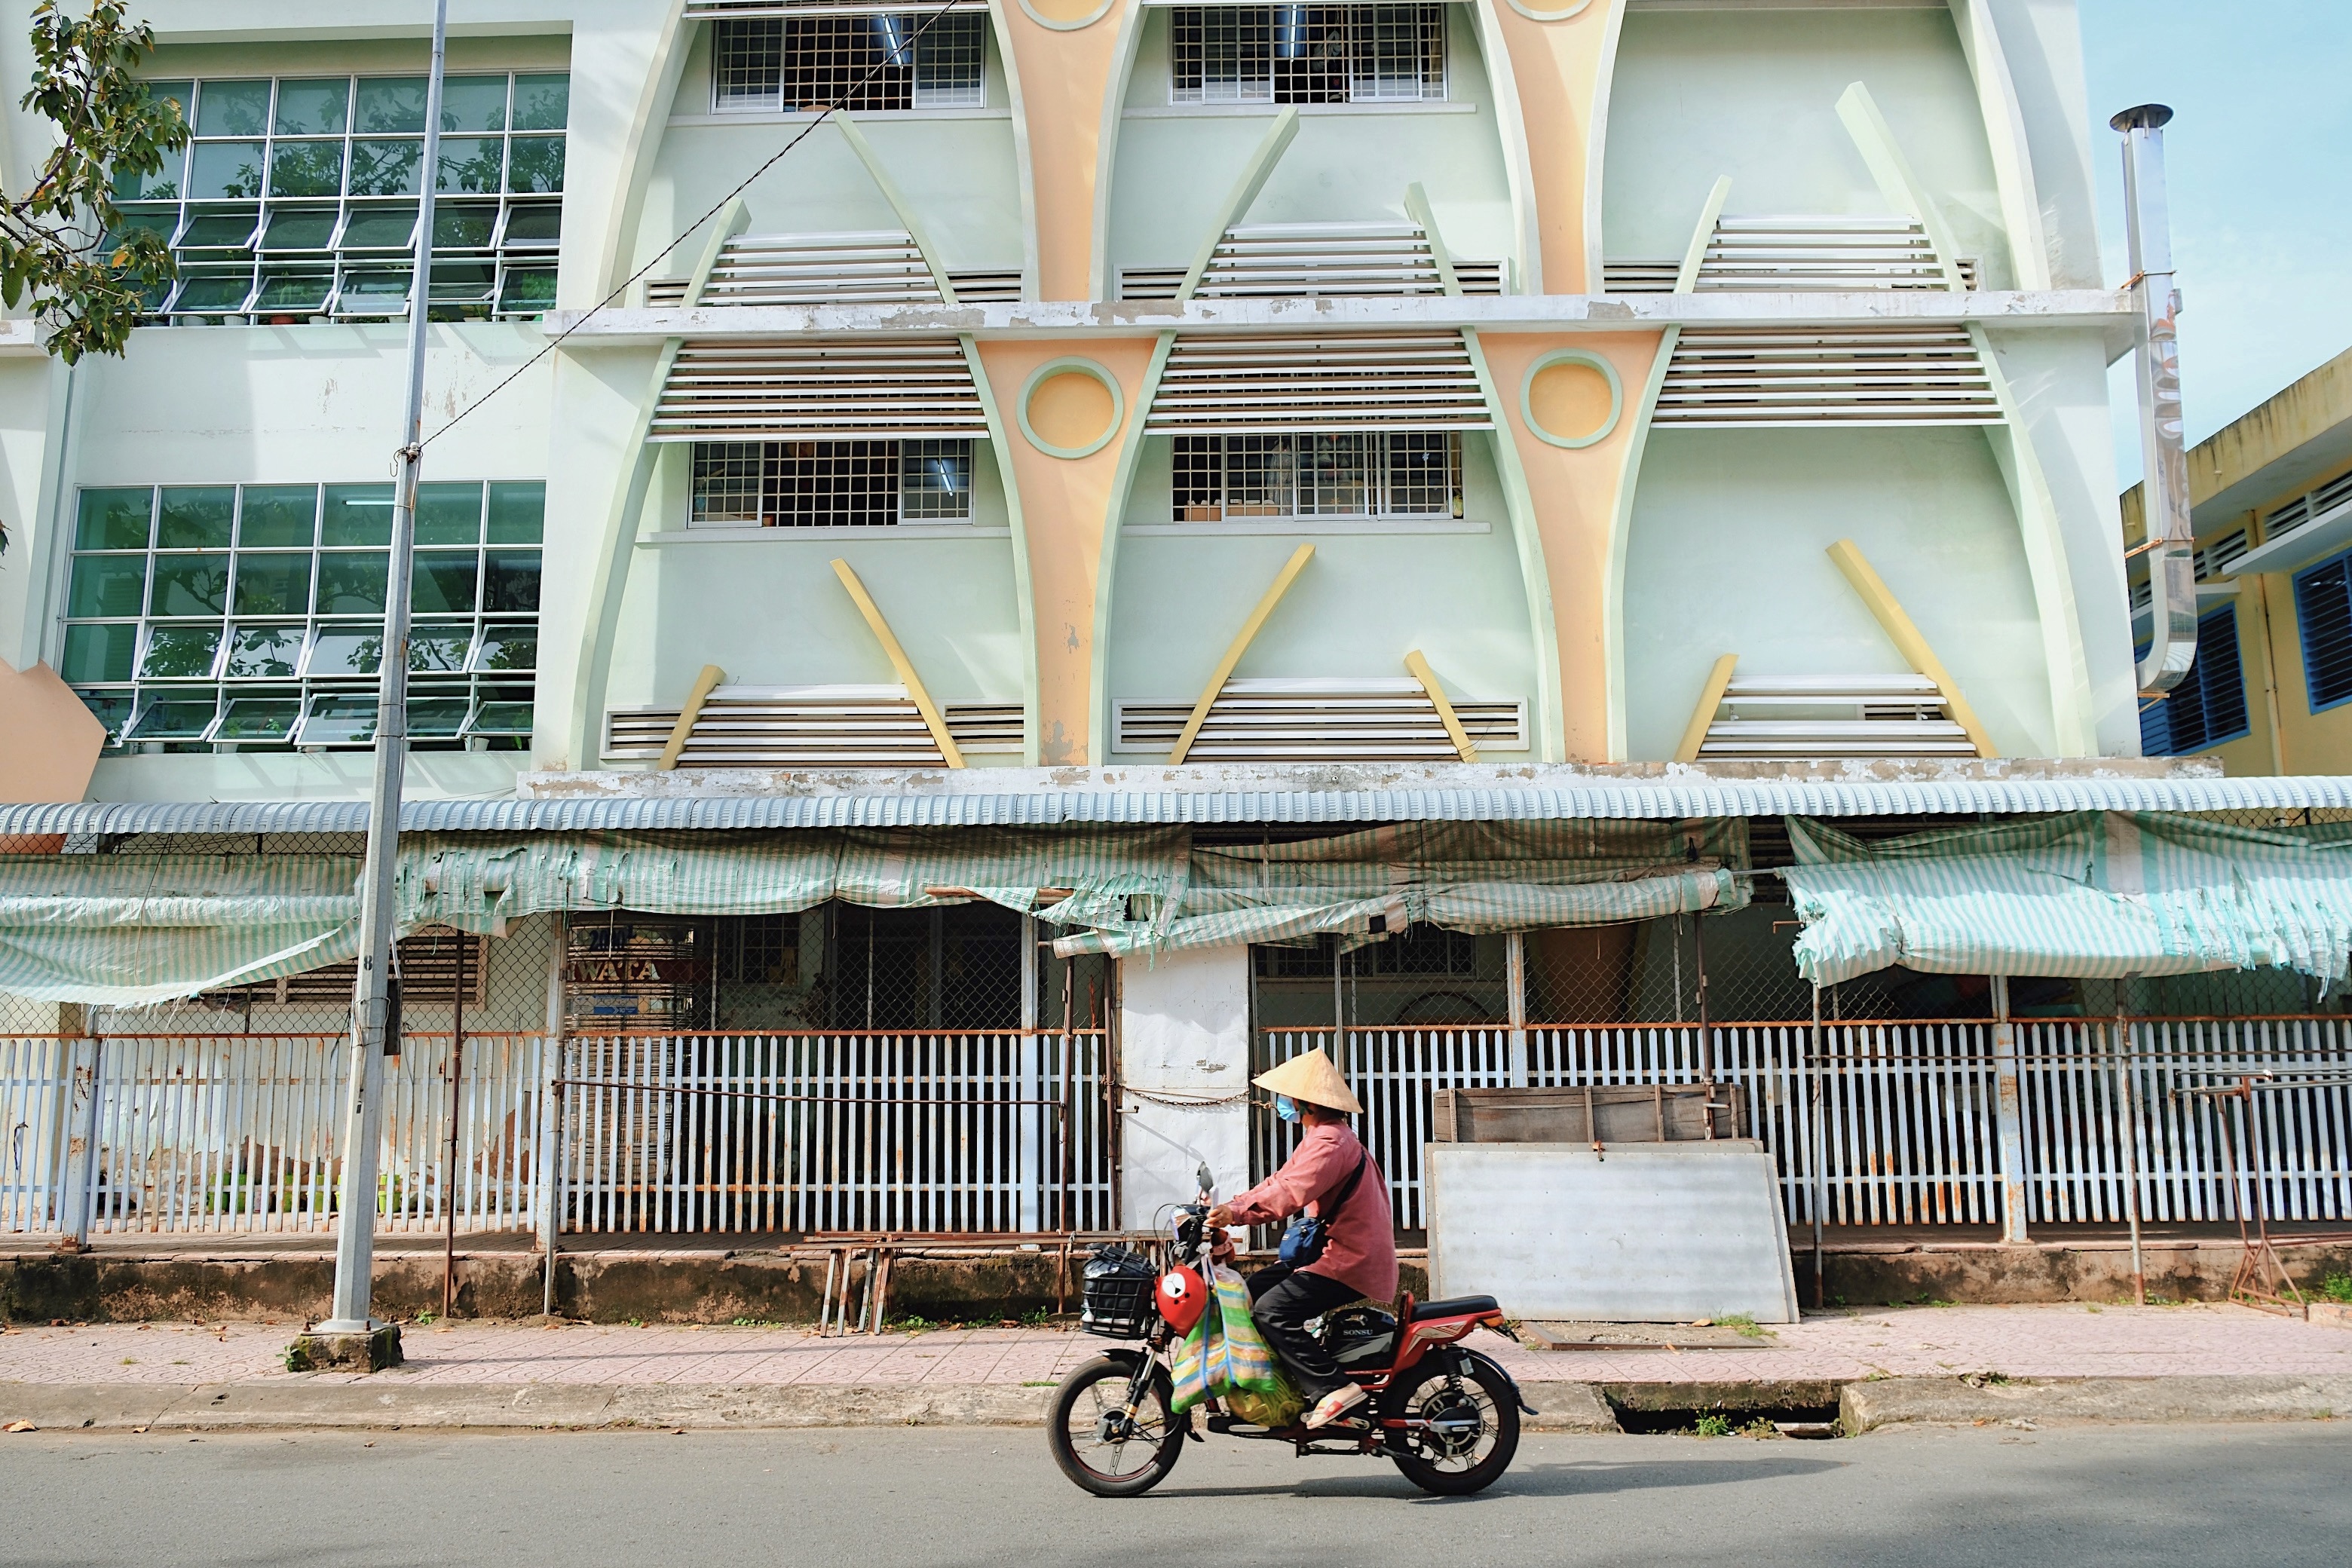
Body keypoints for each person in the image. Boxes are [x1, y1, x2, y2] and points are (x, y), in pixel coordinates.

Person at [1206, 1047, 1396, 1429]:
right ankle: (1287, 1383)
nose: (1281, 1103)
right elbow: (1278, 1181)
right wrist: (1231, 1207)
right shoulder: (1319, 1137)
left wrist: (1238, 1213)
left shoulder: (1330, 1143)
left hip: (1348, 1259)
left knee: (1272, 1311)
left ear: (1305, 1102)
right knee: (1249, 1292)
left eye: (1286, 1097)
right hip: (1327, 1253)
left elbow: (1292, 1192)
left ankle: (1335, 1389)